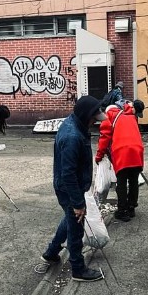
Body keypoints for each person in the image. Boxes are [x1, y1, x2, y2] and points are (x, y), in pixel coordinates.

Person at [40, 95, 106, 282]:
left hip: (70, 187)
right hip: (70, 188)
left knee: (70, 218)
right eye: (94, 118)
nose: (95, 122)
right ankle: (78, 269)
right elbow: (68, 174)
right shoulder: (72, 136)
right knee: (76, 227)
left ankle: (51, 252)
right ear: (86, 115)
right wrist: (78, 203)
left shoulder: (75, 124)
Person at [95, 99, 145, 222]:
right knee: (133, 181)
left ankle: (122, 211)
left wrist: (99, 155)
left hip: (121, 152)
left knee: (121, 182)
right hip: (137, 150)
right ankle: (131, 207)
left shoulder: (110, 115)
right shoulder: (131, 116)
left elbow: (104, 136)